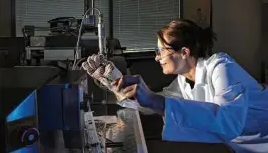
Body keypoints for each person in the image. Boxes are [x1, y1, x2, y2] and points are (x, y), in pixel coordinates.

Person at [112, 19, 268, 153]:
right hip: (243, 146)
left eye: (160, 51)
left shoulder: (221, 66)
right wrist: (114, 81)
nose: (157, 58)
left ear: (184, 52)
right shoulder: (183, 81)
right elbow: (155, 104)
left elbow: (228, 122)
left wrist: (157, 101)